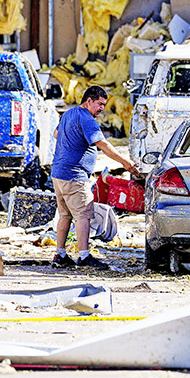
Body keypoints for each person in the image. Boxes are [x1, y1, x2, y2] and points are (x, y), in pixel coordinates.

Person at [50, 85, 140, 268]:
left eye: (104, 105)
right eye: (99, 104)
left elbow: (56, 134)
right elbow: (103, 144)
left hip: (58, 174)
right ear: (89, 101)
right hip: (75, 175)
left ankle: (60, 255)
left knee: (65, 216)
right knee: (83, 215)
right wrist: (126, 163)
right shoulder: (87, 119)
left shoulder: (69, 113)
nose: (101, 109)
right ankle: (84, 256)